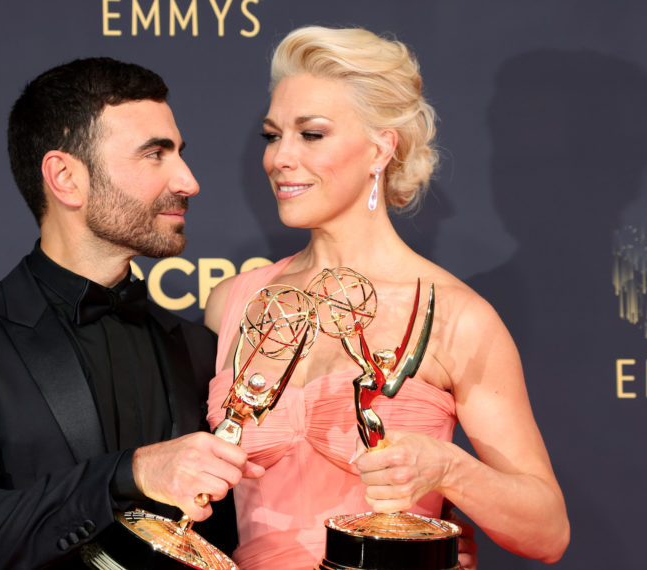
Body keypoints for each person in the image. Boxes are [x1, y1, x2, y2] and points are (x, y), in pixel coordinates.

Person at [204, 26, 570, 569]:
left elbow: (547, 533)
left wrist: (449, 470)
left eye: (312, 135)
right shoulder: (234, 302)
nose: (279, 158)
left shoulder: (455, 316)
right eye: (272, 135)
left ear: (381, 147)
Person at [0, 57, 261, 570]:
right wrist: (127, 473)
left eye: (178, 152)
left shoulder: (199, 347)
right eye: (155, 154)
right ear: (65, 177)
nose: (188, 180)